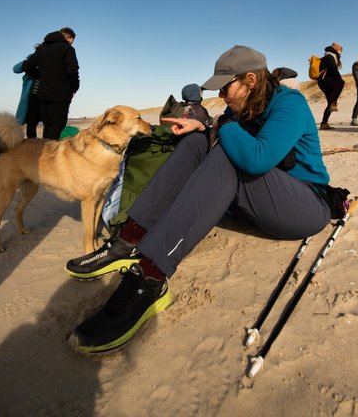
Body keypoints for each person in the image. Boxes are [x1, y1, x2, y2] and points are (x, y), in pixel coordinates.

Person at [65, 44, 343, 355]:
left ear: (250, 80)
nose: (223, 97)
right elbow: (224, 132)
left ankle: (152, 274)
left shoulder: (289, 104)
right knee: (197, 140)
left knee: (227, 149)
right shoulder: (242, 107)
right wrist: (206, 126)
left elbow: (257, 159)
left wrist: (221, 125)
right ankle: (131, 237)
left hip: (303, 206)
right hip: (258, 202)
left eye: (226, 88)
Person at [22, 28, 80, 139]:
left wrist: (42, 76)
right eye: (72, 40)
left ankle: (43, 152)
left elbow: (26, 66)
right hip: (61, 94)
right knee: (57, 126)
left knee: (47, 126)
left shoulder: (42, 49)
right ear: (70, 38)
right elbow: (73, 71)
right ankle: (48, 154)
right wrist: (74, 88)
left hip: (43, 94)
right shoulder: (68, 49)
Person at [317, 42, 345, 130]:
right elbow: (333, 70)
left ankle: (324, 124)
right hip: (326, 81)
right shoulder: (330, 57)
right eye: (340, 51)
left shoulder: (328, 56)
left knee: (329, 103)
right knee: (341, 82)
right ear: (337, 50)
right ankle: (334, 102)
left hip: (323, 81)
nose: (341, 53)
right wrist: (339, 79)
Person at [13, 52, 41, 138]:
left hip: (47, 96)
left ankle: (46, 145)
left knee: (49, 124)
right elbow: (16, 69)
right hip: (32, 97)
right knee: (31, 123)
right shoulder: (31, 61)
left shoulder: (51, 61)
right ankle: (32, 146)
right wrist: (30, 60)